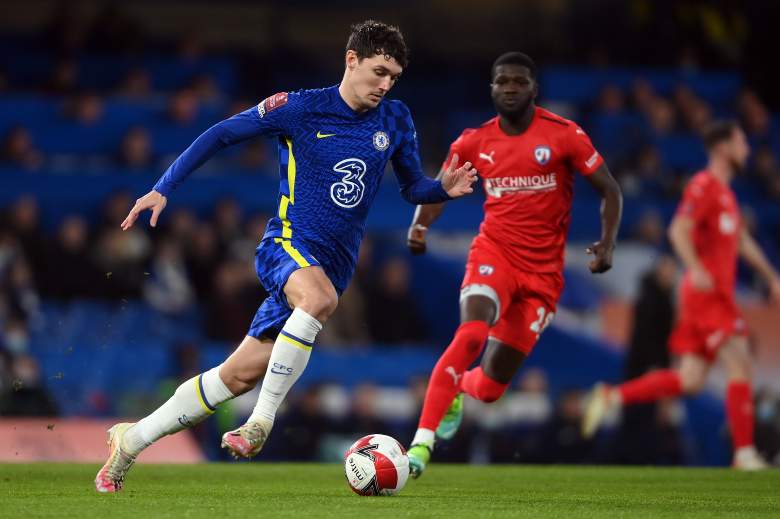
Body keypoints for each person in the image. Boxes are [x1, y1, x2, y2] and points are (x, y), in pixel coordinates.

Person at [94, 20, 477, 493]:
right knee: (317, 301)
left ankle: (130, 442)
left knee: (236, 375)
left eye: (393, 77)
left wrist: (443, 188)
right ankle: (261, 422)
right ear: (351, 60)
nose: (385, 84)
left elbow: (412, 186)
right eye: (379, 71)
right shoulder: (300, 107)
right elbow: (220, 133)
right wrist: (162, 189)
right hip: (286, 246)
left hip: (334, 265)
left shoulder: (395, 118)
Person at [404, 52, 623, 477]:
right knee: (470, 334)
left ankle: (458, 388)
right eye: (502, 81)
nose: (509, 88)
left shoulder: (564, 135)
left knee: (488, 388)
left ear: (533, 89)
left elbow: (610, 189)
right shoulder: (473, 141)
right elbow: (442, 189)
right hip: (494, 254)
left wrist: (607, 243)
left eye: (518, 82)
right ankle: (420, 446)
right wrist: (419, 227)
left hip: (542, 276)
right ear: (491, 88)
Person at [582, 120, 780, 470]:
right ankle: (745, 453)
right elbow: (677, 229)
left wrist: (769, 275)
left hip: (710, 295)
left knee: (689, 381)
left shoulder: (727, 195)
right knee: (741, 362)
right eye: (741, 141)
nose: (747, 149)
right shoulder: (703, 186)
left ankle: (612, 395)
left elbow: (742, 241)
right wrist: (697, 268)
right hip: (707, 296)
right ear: (723, 147)